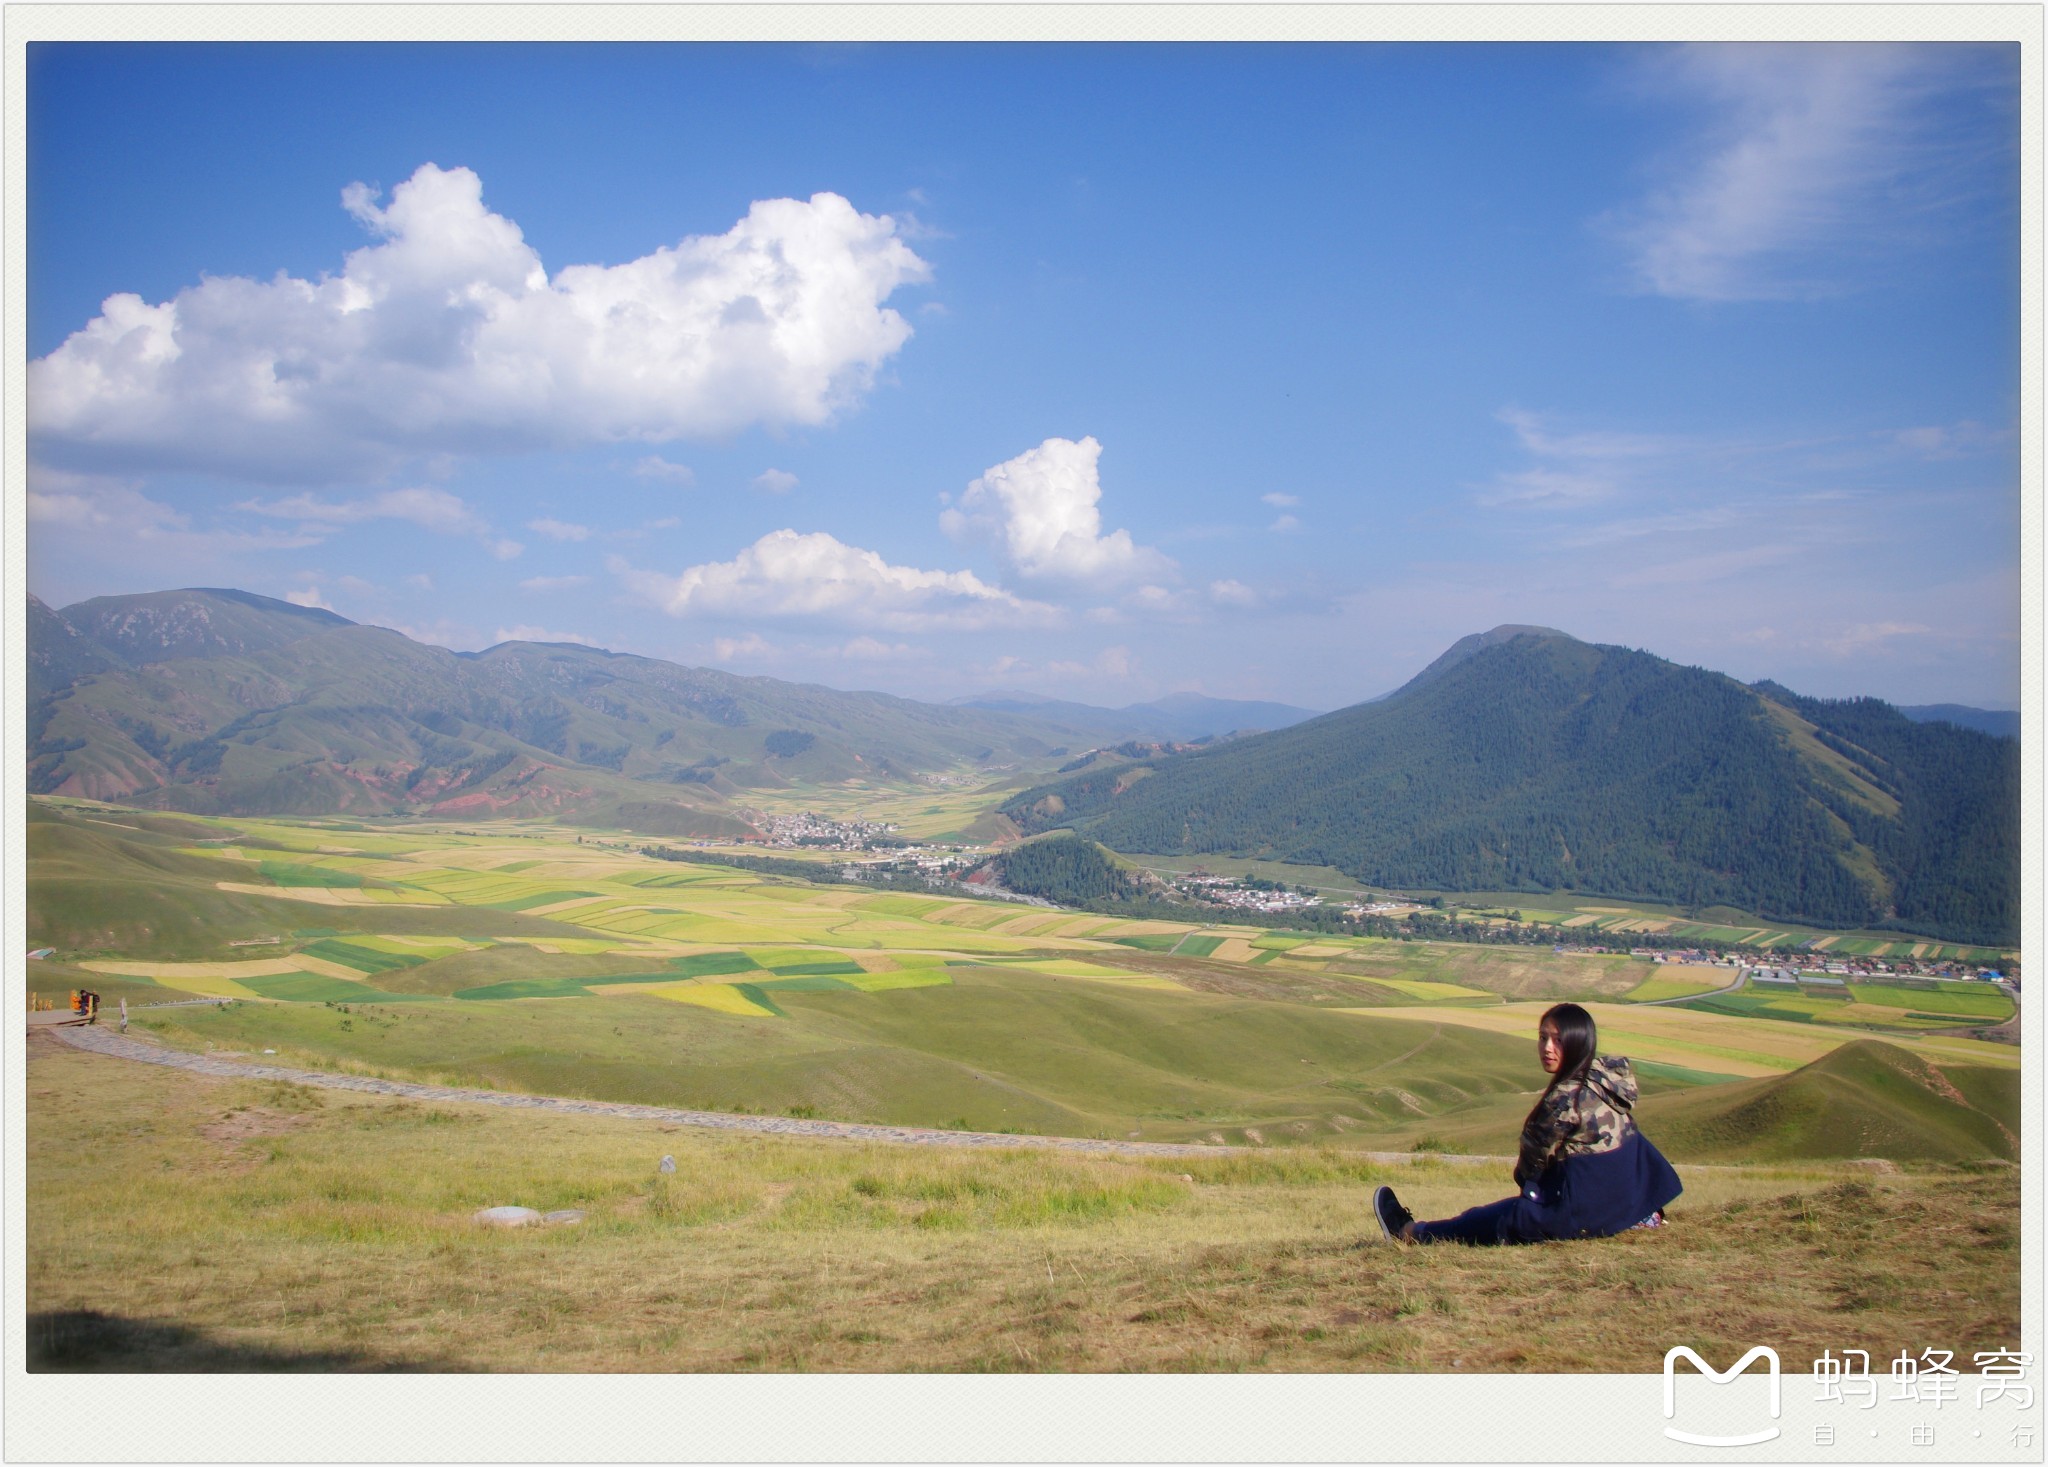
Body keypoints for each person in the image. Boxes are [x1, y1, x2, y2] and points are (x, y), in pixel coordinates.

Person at [1373, 1002, 1681, 1245]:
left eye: (1558, 1040)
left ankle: (1410, 1233)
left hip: (1594, 1214)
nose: (1547, 1047)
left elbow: (1530, 1164)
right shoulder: (1606, 1080)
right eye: (1543, 1037)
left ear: (1578, 1042)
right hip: (1639, 1205)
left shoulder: (1564, 1099)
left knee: (1493, 1219)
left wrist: (1534, 1194)